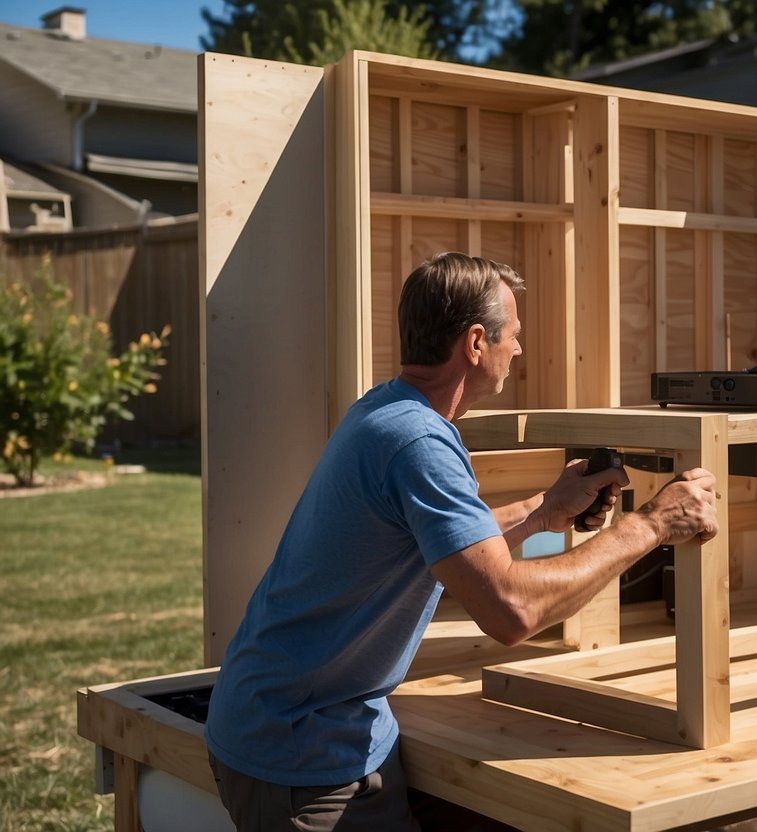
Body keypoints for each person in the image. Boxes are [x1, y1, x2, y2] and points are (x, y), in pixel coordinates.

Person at [204, 251, 719, 831]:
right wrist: (651, 524)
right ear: (476, 343)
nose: (518, 349)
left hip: (287, 720)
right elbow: (511, 611)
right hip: (303, 755)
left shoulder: (387, 411)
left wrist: (544, 512)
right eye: (514, 335)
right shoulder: (420, 442)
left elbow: (437, 544)